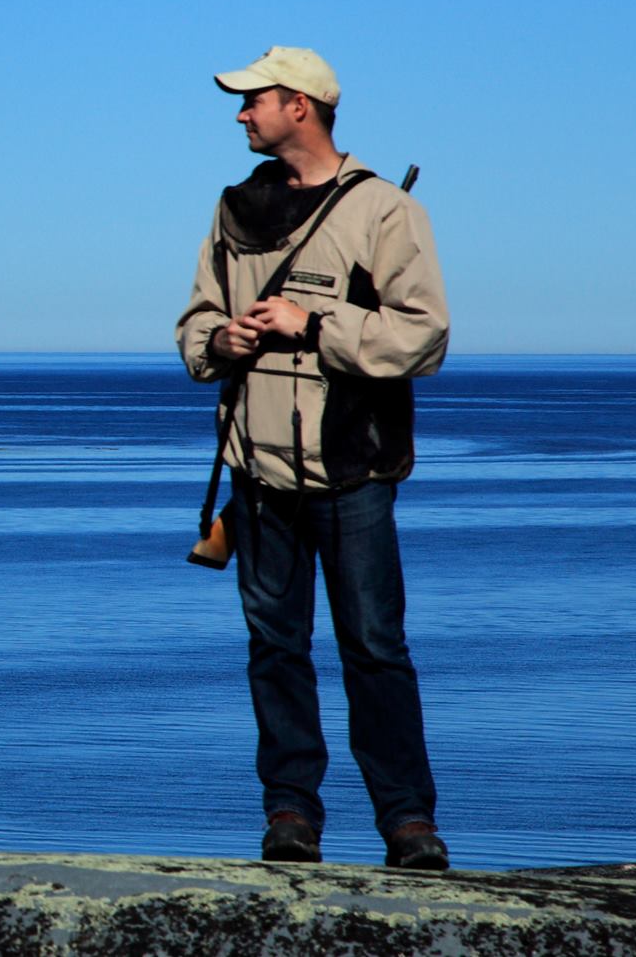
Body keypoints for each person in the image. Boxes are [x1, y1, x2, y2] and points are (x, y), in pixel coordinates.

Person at [174, 45, 452, 870]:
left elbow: (425, 335)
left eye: (251, 99)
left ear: (300, 105)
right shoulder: (232, 210)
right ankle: (289, 816)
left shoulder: (383, 212)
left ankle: (408, 824)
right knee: (275, 652)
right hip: (257, 477)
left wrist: (315, 327)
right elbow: (192, 329)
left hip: (352, 471)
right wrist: (220, 338)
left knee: (374, 649)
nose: (238, 112)